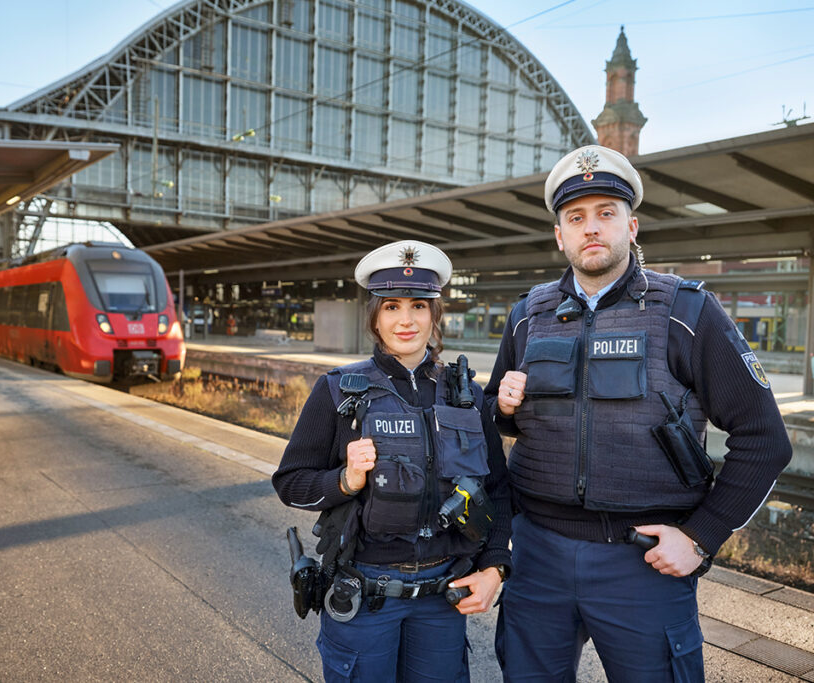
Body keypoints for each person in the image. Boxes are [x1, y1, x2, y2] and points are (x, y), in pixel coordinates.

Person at [486, 145, 792, 681]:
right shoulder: (526, 315)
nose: (591, 228)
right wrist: (503, 407)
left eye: (607, 213)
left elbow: (764, 438)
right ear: (560, 235)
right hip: (537, 555)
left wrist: (700, 537)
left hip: (642, 562)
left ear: (632, 225)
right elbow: (493, 420)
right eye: (576, 218)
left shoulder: (687, 311)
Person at [272, 240, 512, 682]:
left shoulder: (468, 397)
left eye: (419, 305)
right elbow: (290, 482)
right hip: (365, 598)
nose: (406, 320)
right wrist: (344, 480)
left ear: (435, 315)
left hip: (444, 599)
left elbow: (497, 490)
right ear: (375, 318)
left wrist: (496, 566)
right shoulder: (338, 392)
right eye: (392, 307)